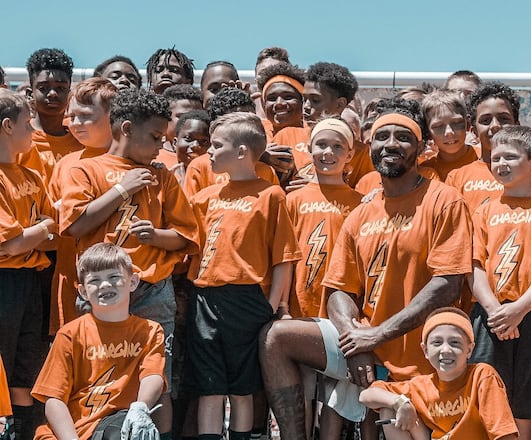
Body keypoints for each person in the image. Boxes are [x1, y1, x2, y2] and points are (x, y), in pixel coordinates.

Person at [259, 97, 473, 440]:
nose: (391, 144)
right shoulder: (361, 213)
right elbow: (339, 290)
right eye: (381, 136)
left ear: (420, 149)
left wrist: (377, 335)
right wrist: (357, 341)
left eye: (402, 138)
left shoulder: (443, 200)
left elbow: (447, 283)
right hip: (364, 343)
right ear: (369, 147)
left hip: (423, 351)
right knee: (275, 338)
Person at [59, 88, 200, 439]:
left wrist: (156, 235)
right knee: (94, 372)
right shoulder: (85, 170)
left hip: (152, 292)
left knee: (157, 378)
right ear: (125, 129)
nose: (160, 148)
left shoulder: (162, 176)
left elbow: (185, 235)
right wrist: (122, 190)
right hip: (100, 294)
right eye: (154, 137)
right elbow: (74, 225)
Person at [187, 112, 300, 440]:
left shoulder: (271, 194)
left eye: (216, 145)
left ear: (241, 152)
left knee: (242, 386)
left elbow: (284, 257)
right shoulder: (204, 198)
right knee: (209, 385)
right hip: (205, 297)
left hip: (247, 298)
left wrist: (272, 304)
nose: (208, 151)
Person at [469, 126, 531, 439]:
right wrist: (496, 310)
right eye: (496, 158)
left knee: (524, 394)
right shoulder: (484, 211)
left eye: (511, 156)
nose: (502, 163)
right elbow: (475, 268)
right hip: (489, 315)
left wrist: (520, 309)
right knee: (485, 385)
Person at [32, 243, 166, 440]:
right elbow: (53, 400)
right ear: (83, 291)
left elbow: (153, 376)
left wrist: (141, 408)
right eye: (95, 280)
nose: (104, 285)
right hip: (70, 432)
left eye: (114, 277)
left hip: (119, 425)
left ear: (133, 282)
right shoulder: (69, 334)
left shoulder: (150, 331)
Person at [359, 307, 518, 440]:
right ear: (425, 350)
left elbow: (503, 433)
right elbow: (367, 395)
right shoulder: (420, 385)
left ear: (469, 349)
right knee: (389, 409)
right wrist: (400, 402)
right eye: (437, 342)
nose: (446, 350)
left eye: (455, 342)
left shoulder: (482, 375)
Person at [0, 89, 57, 440]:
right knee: (3, 363)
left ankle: (20, 431)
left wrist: (35, 232)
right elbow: (10, 243)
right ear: (7, 126)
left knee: (26, 364)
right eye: (27, 123)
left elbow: (50, 229)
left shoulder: (32, 177)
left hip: (29, 281)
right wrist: (39, 230)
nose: (34, 130)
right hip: (3, 282)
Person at [48, 78, 118, 334]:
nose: (74, 124)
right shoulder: (66, 164)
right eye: (71, 116)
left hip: (124, 287)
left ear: (114, 116)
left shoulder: (135, 161)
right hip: (72, 282)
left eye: (85, 116)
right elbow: (52, 224)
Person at [285, 117, 362, 319]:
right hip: (298, 301)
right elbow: (284, 257)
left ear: (350, 154)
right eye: (321, 145)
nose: (328, 152)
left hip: (343, 302)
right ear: (309, 149)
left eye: (338, 146)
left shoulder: (361, 204)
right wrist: (282, 306)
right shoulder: (292, 200)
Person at [446, 81, 520, 211]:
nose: (495, 125)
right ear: (474, 130)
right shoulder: (457, 178)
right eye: (486, 120)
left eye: (504, 119)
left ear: (517, 125)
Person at [20, 48, 83, 185]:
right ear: (30, 94)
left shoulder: (82, 137)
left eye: (60, 88)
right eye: (43, 88)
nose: (52, 94)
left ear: (69, 93)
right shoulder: (17, 138)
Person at [419, 89, 477, 181]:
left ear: (468, 124)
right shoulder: (424, 172)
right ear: (428, 132)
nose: (449, 132)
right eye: (438, 126)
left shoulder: (486, 159)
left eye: (457, 123)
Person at [157, 85, 203, 174]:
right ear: (165, 118)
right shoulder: (151, 158)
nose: (191, 122)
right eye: (183, 117)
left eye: (196, 116)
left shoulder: (211, 158)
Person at [171, 109, 211, 186]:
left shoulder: (215, 179)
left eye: (204, 141)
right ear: (175, 143)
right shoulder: (163, 177)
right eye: (188, 138)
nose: (195, 146)